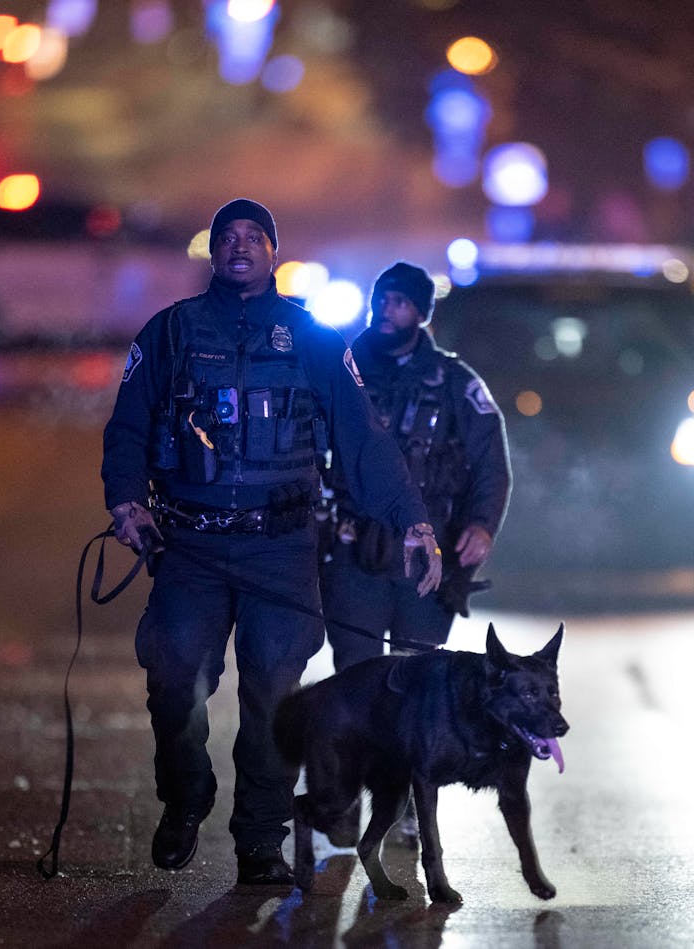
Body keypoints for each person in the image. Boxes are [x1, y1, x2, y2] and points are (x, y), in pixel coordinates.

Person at [101, 199, 443, 885]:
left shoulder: (312, 339)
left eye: (254, 237)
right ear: (213, 252)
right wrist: (126, 501)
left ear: (273, 253)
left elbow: (363, 439)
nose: (239, 246)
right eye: (227, 237)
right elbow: (128, 428)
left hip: (281, 547)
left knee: (273, 697)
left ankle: (259, 839)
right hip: (190, 546)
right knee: (173, 678)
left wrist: (414, 520)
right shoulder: (169, 333)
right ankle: (186, 793)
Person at [321, 261, 511, 672]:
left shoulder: (455, 382)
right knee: (357, 675)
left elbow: (490, 463)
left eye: (401, 302)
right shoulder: (341, 372)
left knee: (416, 675)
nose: (387, 309)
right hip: (353, 544)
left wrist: (481, 524)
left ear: (422, 313)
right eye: (382, 300)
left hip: (428, 548)